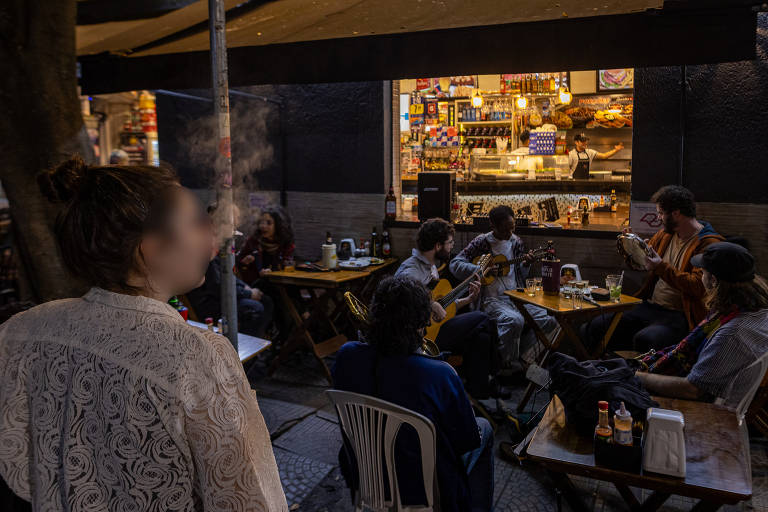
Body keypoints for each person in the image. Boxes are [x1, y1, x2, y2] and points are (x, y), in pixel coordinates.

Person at [0, 156, 286, 510]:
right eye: (198, 222)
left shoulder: (21, 332)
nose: (211, 232)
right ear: (149, 249)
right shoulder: (197, 354)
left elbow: (18, 464)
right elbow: (248, 499)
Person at [333, 276, 494, 512]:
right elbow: (466, 441)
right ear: (420, 326)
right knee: (485, 429)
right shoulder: (440, 375)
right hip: (426, 491)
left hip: (367, 478)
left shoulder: (346, 355)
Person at [585, 185, 724, 352]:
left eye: (660, 213)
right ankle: (605, 372)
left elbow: (698, 287)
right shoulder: (665, 234)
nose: (658, 218)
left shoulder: (709, 244)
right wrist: (631, 248)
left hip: (680, 314)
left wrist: (660, 267)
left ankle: (639, 375)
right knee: (596, 325)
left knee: (646, 339)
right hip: (651, 306)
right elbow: (642, 264)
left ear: (676, 213)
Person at [636, 242, 768, 405]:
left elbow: (692, 389)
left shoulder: (731, 333)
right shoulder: (755, 311)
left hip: (703, 410)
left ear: (713, 280)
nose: (701, 277)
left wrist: (637, 377)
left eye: (702, 273)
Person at [395, 218, 506, 399]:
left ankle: (479, 391)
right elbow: (400, 295)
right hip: (420, 341)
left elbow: (443, 308)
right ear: (438, 245)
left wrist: (468, 298)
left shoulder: (431, 267)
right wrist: (431, 304)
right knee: (483, 318)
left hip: (435, 330)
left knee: (482, 337)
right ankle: (495, 375)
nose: (451, 247)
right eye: (449, 243)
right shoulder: (412, 268)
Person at [450, 205, 557, 370]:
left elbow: (520, 273)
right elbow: (455, 264)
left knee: (552, 320)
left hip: (515, 296)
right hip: (491, 299)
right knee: (515, 321)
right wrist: (480, 269)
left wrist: (526, 263)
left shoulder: (516, 242)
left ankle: (523, 359)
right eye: (505, 229)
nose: (510, 233)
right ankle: (498, 365)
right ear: (493, 226)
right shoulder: (481, 242)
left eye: (512, 228)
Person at [187, 205, 275, 338]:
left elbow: (228, 274)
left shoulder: (219, 243)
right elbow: (216, 285)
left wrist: (245, 288)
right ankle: (238, 350)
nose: (237, 224)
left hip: (219, 296)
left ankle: (258, 347)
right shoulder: (206, 245)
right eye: (234, 220)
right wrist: (247, 293)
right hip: (208, 301)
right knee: (255, 309)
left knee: (267, 299)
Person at [237, 206, 295, 286]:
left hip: (281, 283)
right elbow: (237, 263)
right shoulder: (253, 241)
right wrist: (244, 262)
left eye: (268, 223)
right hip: (257, 285)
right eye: (261, 222)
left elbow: (288, 265)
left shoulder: (286, 243)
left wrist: (274, 272)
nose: (263, 226)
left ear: (278, 225)